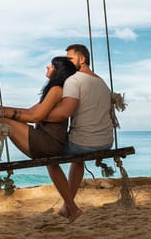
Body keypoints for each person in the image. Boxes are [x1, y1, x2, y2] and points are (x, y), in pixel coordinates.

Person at [0, 56, 77, 172]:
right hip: (48, 144)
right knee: (0, 119)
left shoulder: (57, 90)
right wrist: (3, 109)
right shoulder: (55, 90)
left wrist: (4, 113)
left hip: (48, 145)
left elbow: (35, 117)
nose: (48, 67)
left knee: (0, 121)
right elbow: (30, 111)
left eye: (52, 65)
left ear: (59, 71)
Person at [44, 43, 114, 222]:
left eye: (70, 59)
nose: (67, 63)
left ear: (82, 59)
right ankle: (67, 207)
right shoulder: (102, 82)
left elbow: (64, 112)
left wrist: (37, 115)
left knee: (49, 158)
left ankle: (71, 207)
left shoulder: (73, 80)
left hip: (83, 143)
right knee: (78, 160)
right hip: (106, 141)